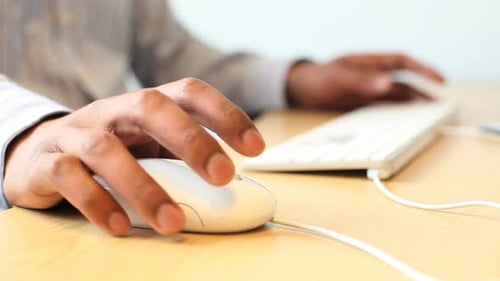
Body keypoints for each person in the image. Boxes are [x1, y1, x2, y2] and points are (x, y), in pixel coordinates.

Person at [0, 0, 444, 236]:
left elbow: (175, 56)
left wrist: (297, 79)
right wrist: (27, 133)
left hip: (115, 177)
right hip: (19, 202)